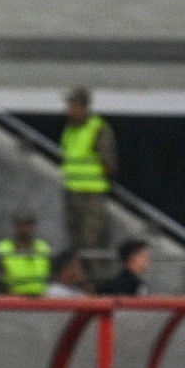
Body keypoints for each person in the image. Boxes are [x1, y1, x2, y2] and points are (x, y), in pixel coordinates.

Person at [61, 87, 117, 254]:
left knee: (91, 241)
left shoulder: (97, 128)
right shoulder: (69, 129)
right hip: (72, 192)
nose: (69, 109)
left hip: (91, 195)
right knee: (75, 241)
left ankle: (95, 278)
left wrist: (104, 184)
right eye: (69, 105)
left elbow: (109, 163)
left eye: (73, 105)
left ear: (84, 106)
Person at [0, 211, 51, 297]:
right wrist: (7, 292)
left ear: (33, 227)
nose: (24, 229)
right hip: (13, 300)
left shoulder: (43, 248)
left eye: (27, 225)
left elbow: (53, 274)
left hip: (41, 299)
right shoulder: (4, 248)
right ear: (15, 227)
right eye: (20, 225)